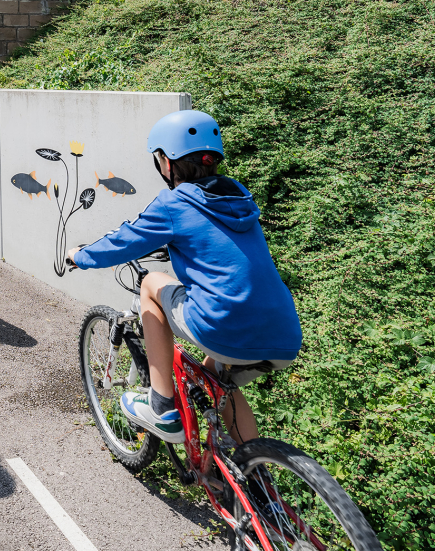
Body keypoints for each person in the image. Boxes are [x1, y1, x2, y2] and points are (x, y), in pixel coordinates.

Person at [67, 110, 302, 444]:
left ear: (166, 162)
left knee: (150, 284)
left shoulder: (174, 204)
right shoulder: (238, 198)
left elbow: (122, 241)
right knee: (215, 381)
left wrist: (80, 255)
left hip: (223, 324)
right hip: (284, 333)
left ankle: (161, 407)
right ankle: (252, 479)